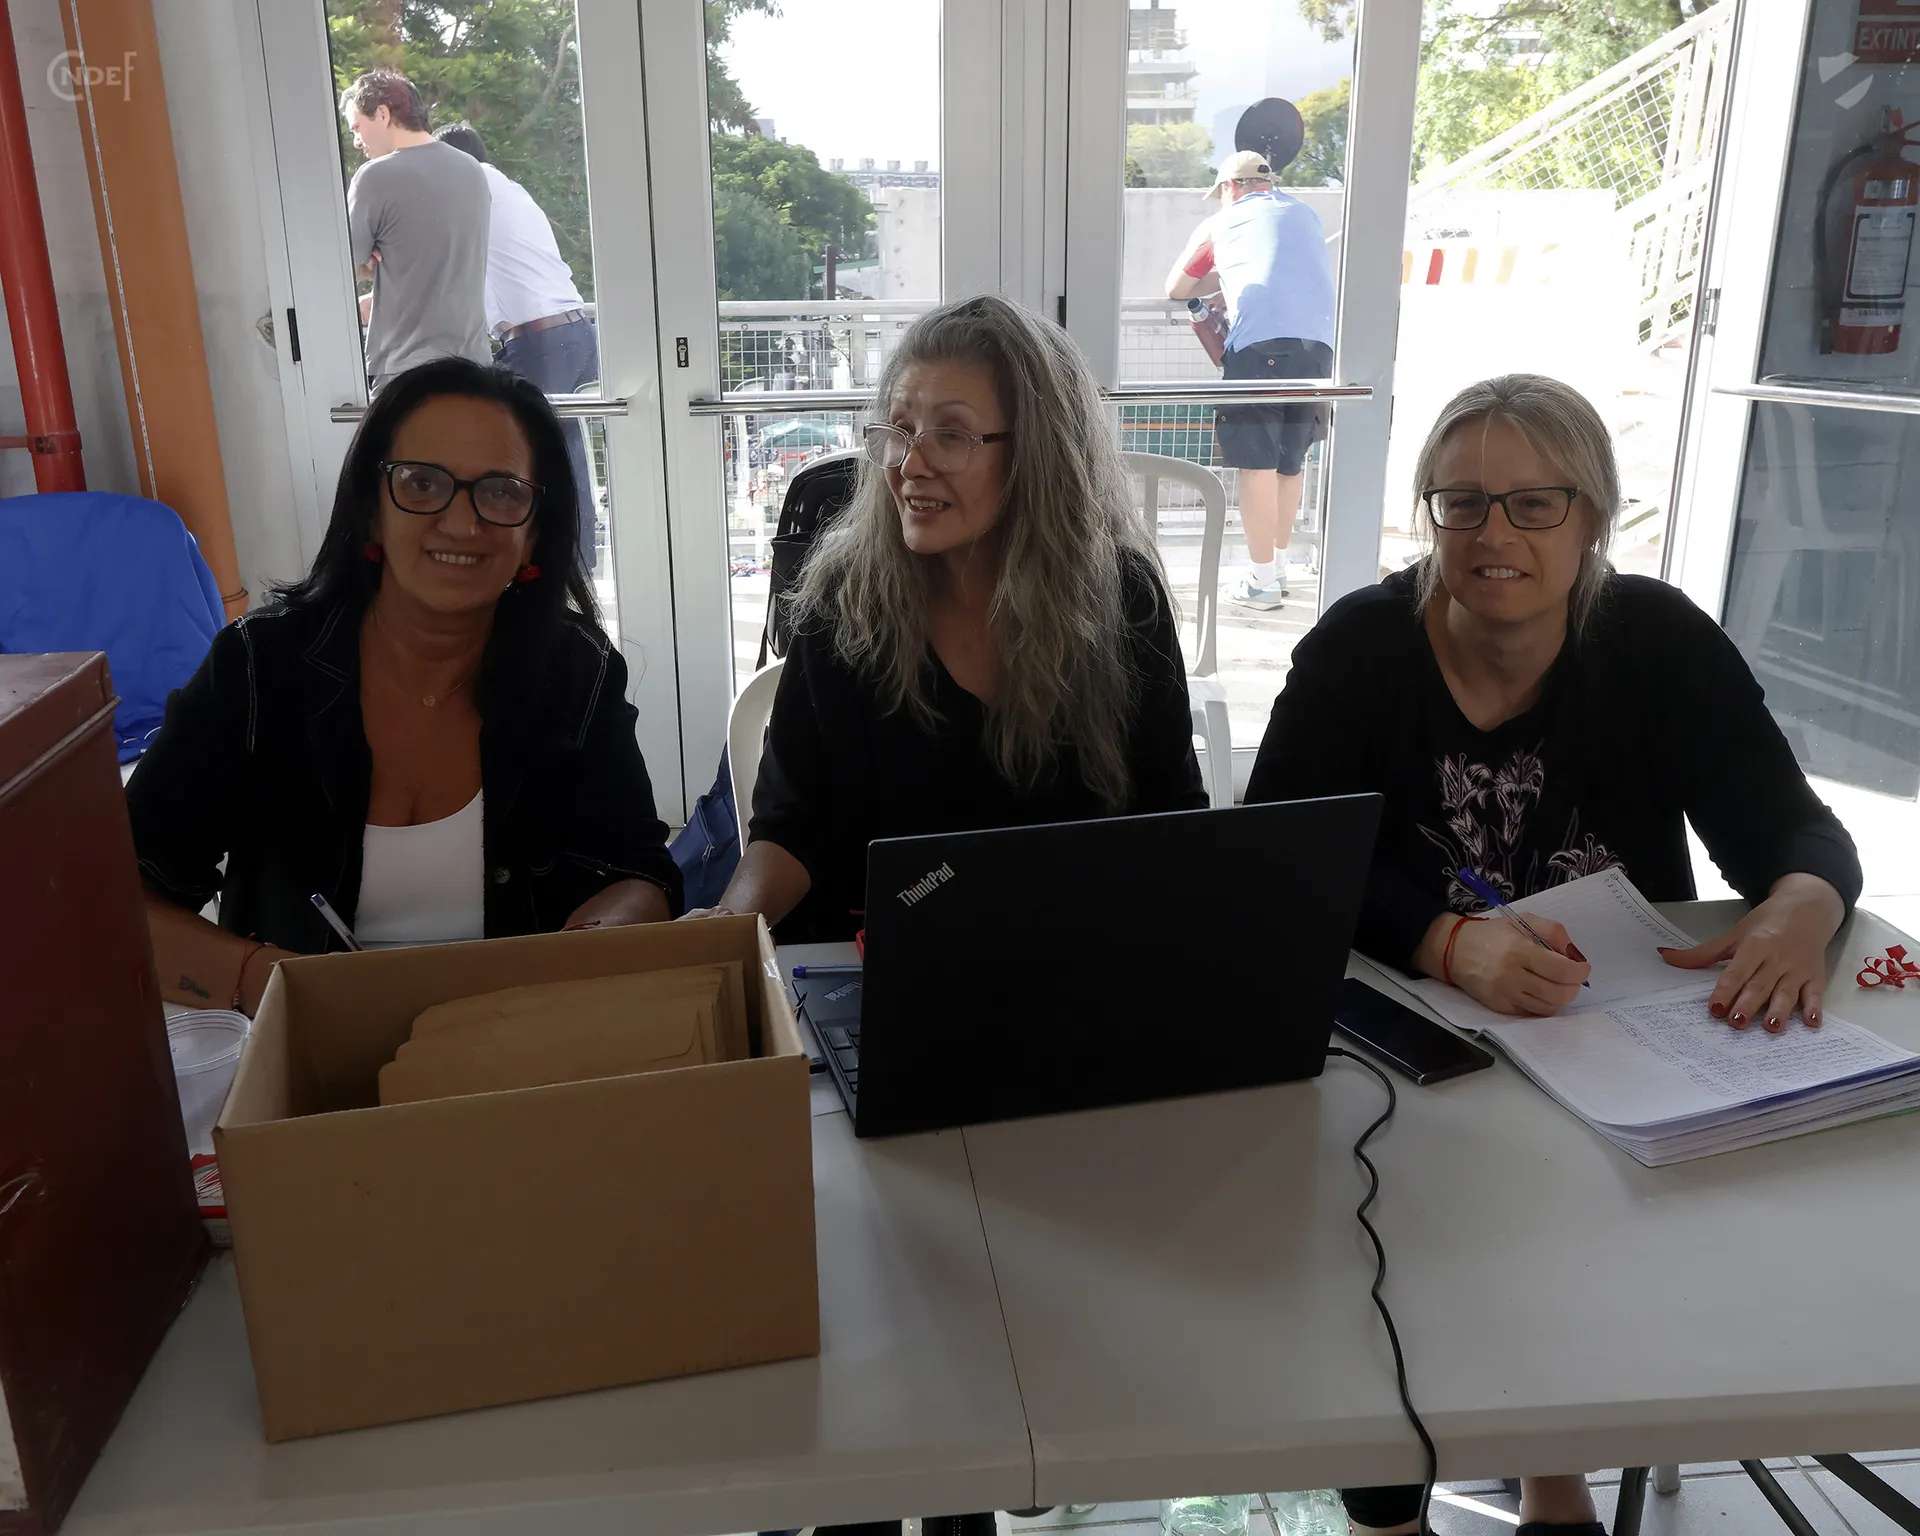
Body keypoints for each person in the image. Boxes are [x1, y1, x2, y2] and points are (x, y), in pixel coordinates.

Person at [1246, 374, 1862, 1536]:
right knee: (1374, 1217)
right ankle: (1389, 1507)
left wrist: (1800, 905)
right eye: (1463, 503)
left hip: (1610, 1039)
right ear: (1429, 514)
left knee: (1599, 1212)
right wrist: (1442, 940)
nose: (1496, 535)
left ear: (1594, 518)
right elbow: (1278, 856)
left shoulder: (1655, 640)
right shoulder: (1360, 649)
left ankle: (1555, 1469)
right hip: (1405, 1045)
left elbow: (1795, 830)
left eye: (1536, 504)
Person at [128, 357, 681, 1014]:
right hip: (303, 1039)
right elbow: (125, 895)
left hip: (518, 1034)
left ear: (533, 534)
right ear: (371, 510)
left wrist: (579, 953)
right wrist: (271, 984)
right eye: (422, 483)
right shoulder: (259, 665)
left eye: (502, 492)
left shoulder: (575, 671)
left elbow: (640, 872)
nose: (462, 524)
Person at [697, 293, 1208, 943]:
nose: (910, 464)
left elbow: (1172, 818)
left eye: (952, 435)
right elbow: (791, 827)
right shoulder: (845, 601)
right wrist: (725, 926)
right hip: (876, 958)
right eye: (900, 429)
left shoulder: (1122, 598)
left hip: (1074, 954)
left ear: (1037, 455)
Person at [1166, 148, 1336, 611]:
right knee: (1290, 462)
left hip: (1260, 350)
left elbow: (1176, 288)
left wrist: (1223, 283)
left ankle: (1260, 583)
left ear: (1229, 187)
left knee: (1257, 466)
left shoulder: (1222, 222)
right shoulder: (1306, 214)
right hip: (1318, 351)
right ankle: (1277, 566)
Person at [435, 123, 601, 563]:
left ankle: (542, 568)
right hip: (571, 333)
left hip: (540, 340)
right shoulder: (509, 189)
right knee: (564, 458)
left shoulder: (474, 191)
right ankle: (574, 568)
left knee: (525, 458)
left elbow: (440, 264)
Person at [339, 70, 491, 391]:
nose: (356, 141)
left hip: (407, 370)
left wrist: (368, 258)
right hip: (473, 366)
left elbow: (345, 270)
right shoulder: (472, 169)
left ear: (383, 114)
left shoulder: (375, 177)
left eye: (357, 127)